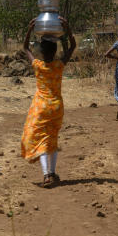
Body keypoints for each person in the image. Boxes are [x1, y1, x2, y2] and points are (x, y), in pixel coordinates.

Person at [20, 16, 76, 187]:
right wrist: (67, 28)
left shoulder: (38, 65)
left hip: (41, 107)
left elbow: (24, 48)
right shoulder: (59, 65)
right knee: (52, 138)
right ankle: (52, 173)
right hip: (57, 107)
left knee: (42, 140)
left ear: (42, 52)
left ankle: (46, 176)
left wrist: (30, 29)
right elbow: (73, 46)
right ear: (55, 51)